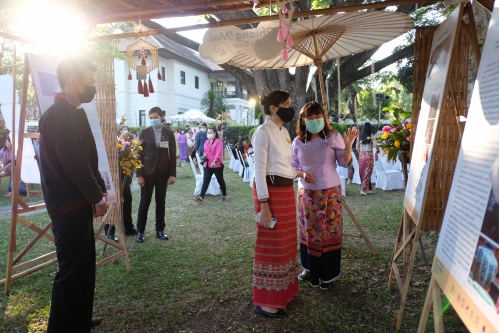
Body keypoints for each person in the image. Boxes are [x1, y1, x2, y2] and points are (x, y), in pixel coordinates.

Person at [39, 58, 108, 332]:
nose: (92, 87)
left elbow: (85, 159)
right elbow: (75, 163)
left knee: (84, 265)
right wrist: (97, 197)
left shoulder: (71, 112)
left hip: (75, 204)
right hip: (67, 206)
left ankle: (78, 317)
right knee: (71, 269)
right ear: (72, 81)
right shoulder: (59, 114)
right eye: (89, 82)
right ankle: (61, 326)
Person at [291, 102, 358, 290]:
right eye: (310, 118)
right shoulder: (298, 141)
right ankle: (308, 269)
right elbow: (291, 167)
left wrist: (348, 146)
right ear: (303, 121)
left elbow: (344, 163)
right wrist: (302, 174)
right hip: (307, 193)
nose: (314, 121)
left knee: (329, 230)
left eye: (317, 117)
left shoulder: (333, 136)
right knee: (309, 231)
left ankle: (327, 274)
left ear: (324, 117)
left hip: (330, 193)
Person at [251, 89, 298, 319]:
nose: (291, 107)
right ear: (273, 108)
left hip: (287, 192)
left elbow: (283, 165)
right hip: (270, 195)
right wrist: (264, 205)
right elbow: (259, 170)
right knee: (271, 244)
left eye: (290, 103)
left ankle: (284, 291)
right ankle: (266, 300)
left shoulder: (285, 131)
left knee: (287, 243)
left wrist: (298, 173)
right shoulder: (262, 132)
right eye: (286, 103)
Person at [136, 107, 176, 243]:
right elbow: (138, 155)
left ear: (161, 117)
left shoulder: (168, 133)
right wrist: (139, 175)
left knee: (160, 202)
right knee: (144, 202)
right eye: (151, 117)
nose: (153, 120)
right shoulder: (144, 133)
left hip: (162, 173)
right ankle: (140, 231)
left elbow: (172, 155)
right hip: (147, 172)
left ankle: (160, 230)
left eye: (155, 117)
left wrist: (172, 174)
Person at [193, 126, 228, 203]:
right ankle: (201, 197)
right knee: (205, 181)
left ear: (215, 133)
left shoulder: (218, 142)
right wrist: (204, 157)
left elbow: (218, 153)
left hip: (217, 165)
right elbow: (205, 152)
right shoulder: (206, 142)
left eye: (210, 133)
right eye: (208, 133)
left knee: (220, 180)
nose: (209, 134)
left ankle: (224, 195)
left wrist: (215, 161)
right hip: (207, 164)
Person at [356, 122, 379, 195]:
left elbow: (357, 147)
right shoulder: (371, 136)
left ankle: (368, 188)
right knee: (368, 172)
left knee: (363, 172)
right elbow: (375, 145)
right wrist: (377, 149)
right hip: (369, 155)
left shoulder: (359, 137)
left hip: (361, 155)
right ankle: (363, 189)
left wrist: (360, 153)